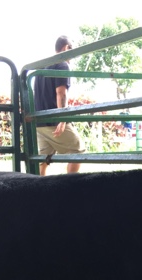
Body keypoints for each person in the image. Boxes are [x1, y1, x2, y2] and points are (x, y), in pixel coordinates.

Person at [33, 35, 85, 176]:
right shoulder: (62, 64)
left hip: (39, 123)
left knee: (43, 159)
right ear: (66, 48)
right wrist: (62, 119)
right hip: (54, 122)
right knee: (78, 150)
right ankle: (70, 185)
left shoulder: (42, 67)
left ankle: (39, 187)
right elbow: (61, 93)